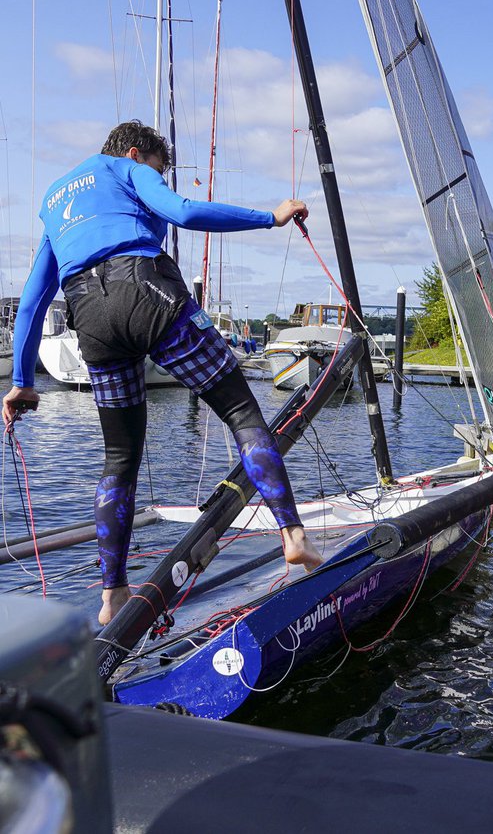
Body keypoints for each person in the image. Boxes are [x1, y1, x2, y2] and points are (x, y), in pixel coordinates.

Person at [2, 120, 323, 625]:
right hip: (147, 290)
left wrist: (22, 380)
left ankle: (113, 595)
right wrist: (270, 217)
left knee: (118, 457)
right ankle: (295, 538)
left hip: (91, 317)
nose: (158, 181)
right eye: (159, 171)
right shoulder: (127, 168)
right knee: (241, 411)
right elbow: (184, 210)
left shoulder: (55, 199)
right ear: (136, 153)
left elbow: (34, 300)